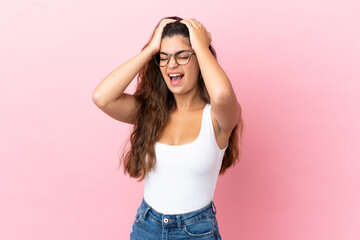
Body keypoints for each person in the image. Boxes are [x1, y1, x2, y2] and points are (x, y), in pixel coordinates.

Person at [92, 16, 243, 240]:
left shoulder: (216, 118)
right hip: (147, 226)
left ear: (200, 59)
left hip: (196, 232)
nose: (171, 65)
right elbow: (101, 97)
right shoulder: (151, 113)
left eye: (182, 56)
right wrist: (150, 49)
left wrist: (201, 46)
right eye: (163, 58)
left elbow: (220, 93)